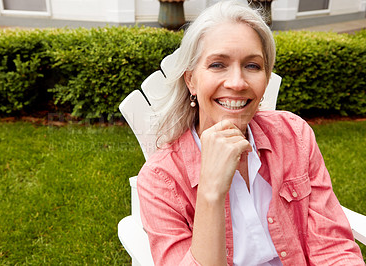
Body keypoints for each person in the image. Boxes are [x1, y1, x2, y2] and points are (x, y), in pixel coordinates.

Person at [137, 1, 364, 265]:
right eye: (217, 65)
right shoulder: (161, 180)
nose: (237, 82)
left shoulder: (295, 136)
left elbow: (332, 248)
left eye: (252, 66)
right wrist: (211, 191)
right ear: (191, 80)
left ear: (266, 79)